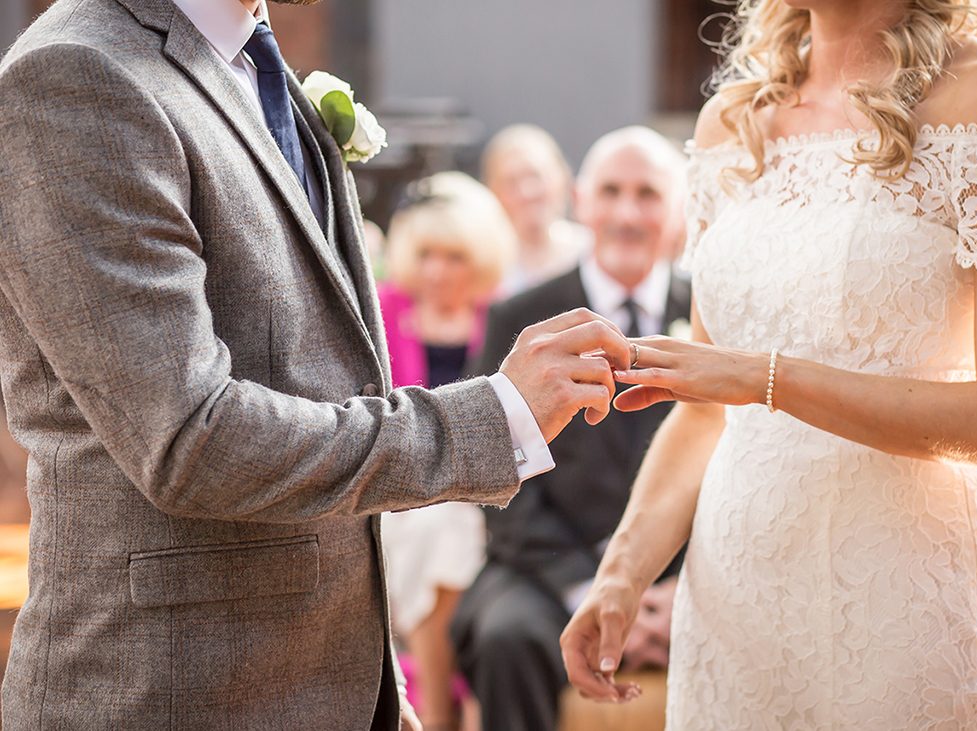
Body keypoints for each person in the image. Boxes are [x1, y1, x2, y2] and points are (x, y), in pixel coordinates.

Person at [0, 1, 630, 729]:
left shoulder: (253, 62)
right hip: (174, 696)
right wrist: (490, 416)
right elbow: (193, 438)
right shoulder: (75, 75)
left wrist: (376, 690)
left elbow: (323, 389)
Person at [561, 1, 977, 729]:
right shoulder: (730, 125)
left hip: (907, 599)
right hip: (737, 592)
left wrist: (766, 379)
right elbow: (705, 405)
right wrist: (621, 573)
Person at [452, 127, 691, 731]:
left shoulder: (714, 318)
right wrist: (592, 587)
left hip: (687, 574)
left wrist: (672, 592)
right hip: (547, 566)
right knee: (505, 635)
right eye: (611, 192)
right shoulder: (523, 317)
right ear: (581, 202)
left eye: (648, 194)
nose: (627, 213)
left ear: (680, 207)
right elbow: (496, 465)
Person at [377, 171, 516, 731]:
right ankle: (440, 705)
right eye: (427, 253)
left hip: (486, 498)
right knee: (439, 533)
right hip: (401, 494)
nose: (437, 270)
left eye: (454, 255)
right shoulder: (384, 311)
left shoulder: (502, 317)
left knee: (455, 531)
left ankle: (440, 705)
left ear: (479, 258)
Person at [482, 125, 590, 295]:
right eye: (511, 182)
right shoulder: (485, 265)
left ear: (562, 178)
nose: (526, 192)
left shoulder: (589, 252)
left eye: (535, 176)